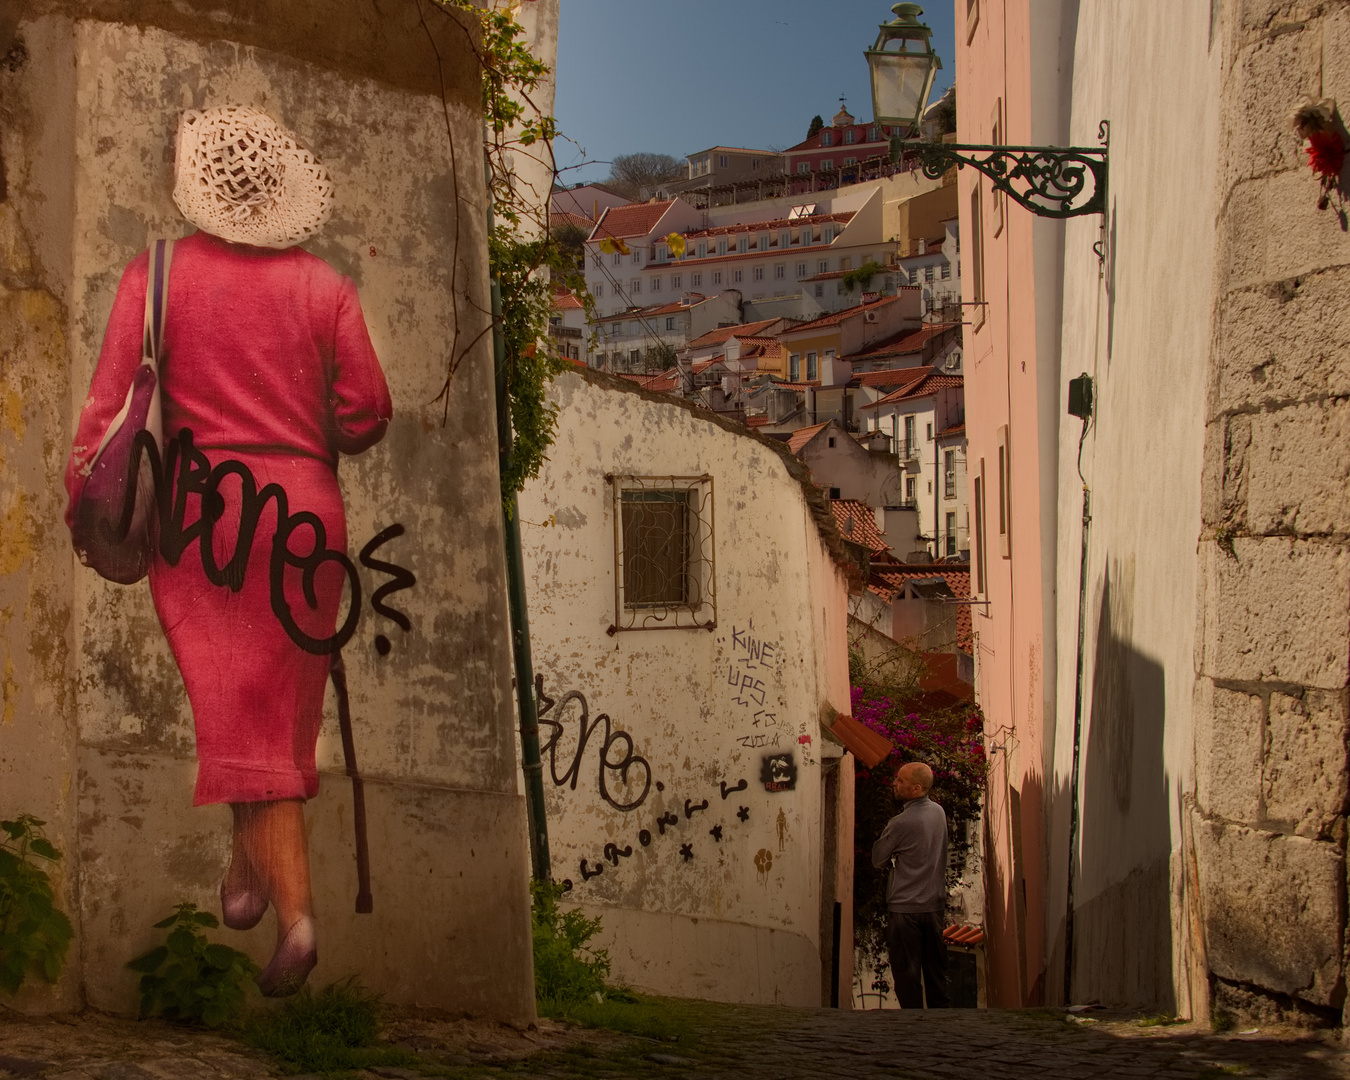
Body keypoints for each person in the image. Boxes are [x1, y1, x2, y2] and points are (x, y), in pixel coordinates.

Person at [64, 105, 392, 996]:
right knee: (272, 716)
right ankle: (247, 879)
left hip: (202, 517)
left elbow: (104, 419)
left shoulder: (155, 275)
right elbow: (368, 411)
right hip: (303, 517)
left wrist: (83, 508)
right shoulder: (325, 290)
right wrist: (302, 425)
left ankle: (296, 921)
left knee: (239, 715)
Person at [871, 761, 950, 1008]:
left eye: (901, 780)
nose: (895, 783)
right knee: (936, 972)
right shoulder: (938, 812)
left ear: (916, 788)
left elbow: (877, 859)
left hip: (905, 908)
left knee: (907, 975)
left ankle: (913, 1025)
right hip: (934, 905)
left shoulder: (901, 823)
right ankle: (941, 1025)